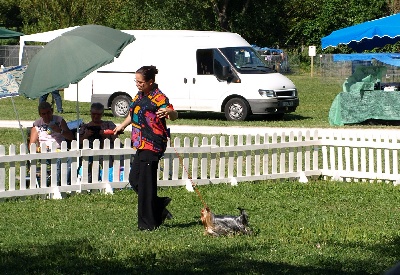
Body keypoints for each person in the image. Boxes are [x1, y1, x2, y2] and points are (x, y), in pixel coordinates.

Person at [114, 65, 178, 231]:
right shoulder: (139, 95)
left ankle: (148, 224)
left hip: (153, 143)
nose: (137, 84)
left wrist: (168, 112)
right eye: (136, 81)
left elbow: (173, 113)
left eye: (140, 81)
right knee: (135, 180)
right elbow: (132, 113)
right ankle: (158, 205)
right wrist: (121, 126)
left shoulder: (159, 97)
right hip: (139, 143)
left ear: (151, 82)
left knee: (146, 184)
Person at [29, 101, 74, 185]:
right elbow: (31, 145)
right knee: (56, 159)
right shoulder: (37, 124)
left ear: (52, 111)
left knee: (70, 158)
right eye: (43, 114)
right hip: (46, 151)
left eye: (48, 113)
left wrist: (59, 130)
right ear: (40, 114)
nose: (46, 116)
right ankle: (55, 184)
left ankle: (66, 183)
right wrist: (39, 148)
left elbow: (71, 137)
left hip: (61, 149)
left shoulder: (59, 121)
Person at [79, 102, 120, 182]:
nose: (96, 116)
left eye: (98, 114)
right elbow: (78, 143)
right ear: (90, 113)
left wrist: (105, 135)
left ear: (102, 114)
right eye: (93, 114)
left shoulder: (109, 125)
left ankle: (107, 179)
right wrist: (86, 136)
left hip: (106, 151)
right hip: (89, 152)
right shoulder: (85, 127)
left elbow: (116, 140)